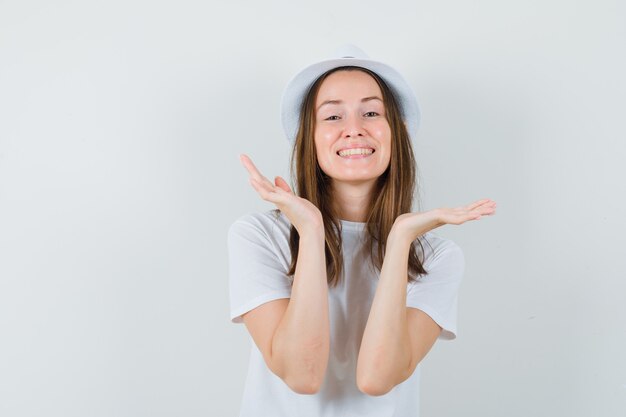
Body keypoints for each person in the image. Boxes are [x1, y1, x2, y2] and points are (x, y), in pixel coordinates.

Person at [227, 45, 496, 417]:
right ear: (310, 137)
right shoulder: (258, 236)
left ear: (395, 135)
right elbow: (301, 375)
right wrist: (311, 229)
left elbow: (377, 379)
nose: (354, 130)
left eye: (371, 112)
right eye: (333, 116)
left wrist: (401, 238)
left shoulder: (437, 257)